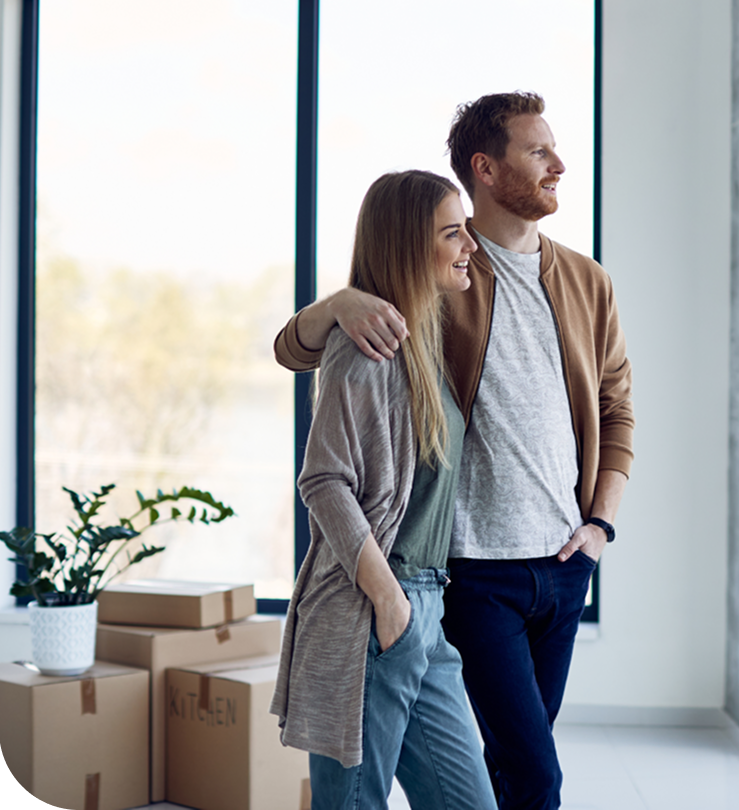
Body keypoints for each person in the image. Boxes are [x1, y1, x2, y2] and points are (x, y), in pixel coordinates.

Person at [272, 91, 634, 810]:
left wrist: (599, 527)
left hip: (559, 565)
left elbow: (616, 408)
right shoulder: (445, 280)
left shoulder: (586, 282)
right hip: (460, 572)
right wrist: (335, 304)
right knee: (531, 774)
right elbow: (301, 357)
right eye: (538, 151)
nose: (558, 164)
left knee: (511, 766)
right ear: (487, 168)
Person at [270, 170, 496, 810]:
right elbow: (323, 481)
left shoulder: (422, 335)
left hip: (425, 610)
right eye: (453, 233)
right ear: (406, 246)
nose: (469, 247)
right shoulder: (364, 347)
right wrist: (389, 602)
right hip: (377, 608)